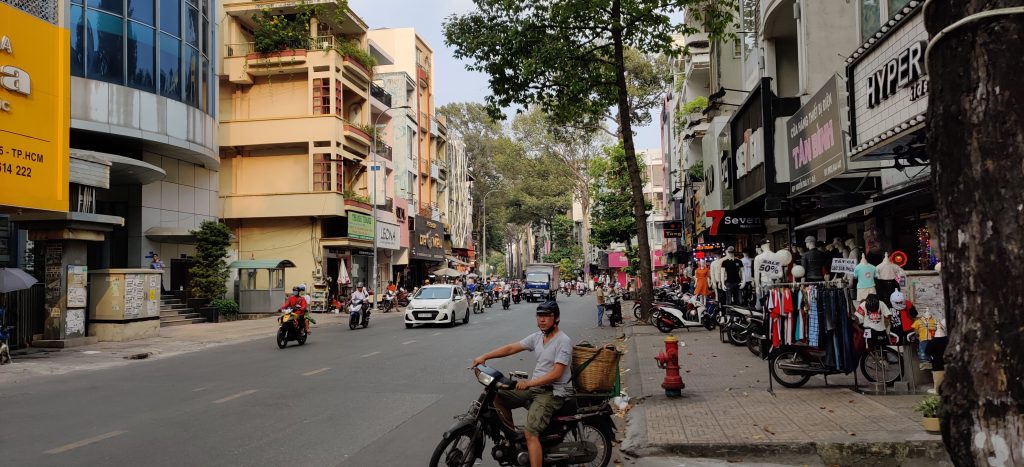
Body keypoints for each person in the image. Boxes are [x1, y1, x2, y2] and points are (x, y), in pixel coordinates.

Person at [471, 301, 572, 467]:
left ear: (557, 319)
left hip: (551, 392)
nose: (542, 320)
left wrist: (530, 383)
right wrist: (485, 356)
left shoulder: (563, 341)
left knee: (530, 433)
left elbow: (556, 373)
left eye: (547, 316)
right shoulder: (538, 337)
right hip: (535, 388)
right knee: (496, 396)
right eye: (539, 316)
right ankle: (512, 439)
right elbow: (512, 348)